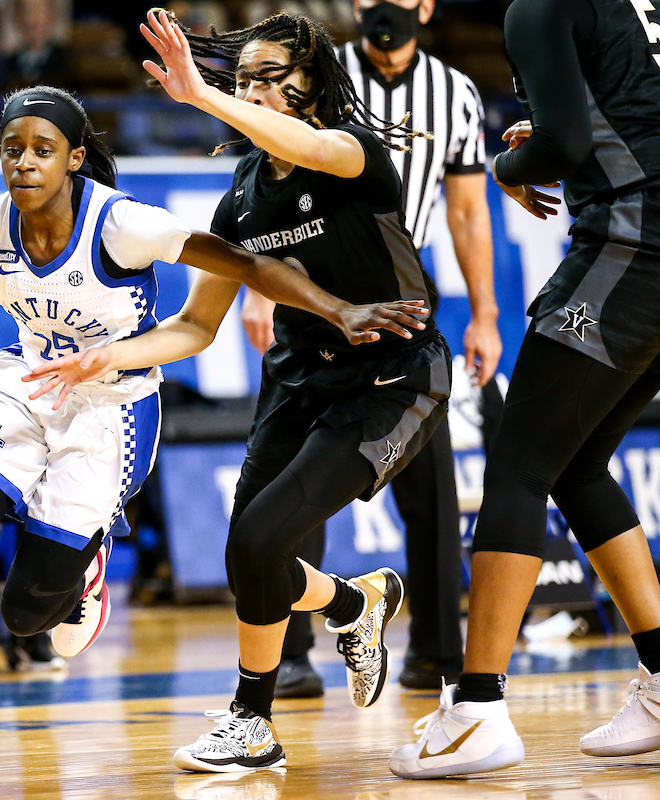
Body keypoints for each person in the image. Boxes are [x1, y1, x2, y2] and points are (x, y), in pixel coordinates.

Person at [0, 84, 424, 787]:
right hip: (25, 384)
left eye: (42, 150)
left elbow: (248, 265)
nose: (24, 163)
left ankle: (90, 562)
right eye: (12, 149)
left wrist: (339, 310)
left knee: (24, 616)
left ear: (74, 158)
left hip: (111, 405)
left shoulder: (122, 223)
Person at [32, 10, 449, 773]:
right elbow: (196, 327)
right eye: (243, 76)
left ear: (313, 83)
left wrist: (204, 96)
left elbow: (314, 145)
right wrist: (107, 355)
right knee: (244, 556)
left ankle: (251, 719)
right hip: (300, 375)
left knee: (264, 541)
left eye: (268, 77)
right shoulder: (242, 201)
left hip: (390, 375)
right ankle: (355, 607)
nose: (252, 90)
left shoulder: (351, 153)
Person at [390, 0, 660, 779]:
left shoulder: (539, 6)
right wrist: (552, 146)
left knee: (516, 463)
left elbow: (568, 144)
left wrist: (511, 168)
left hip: (643, 237)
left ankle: (477, 709)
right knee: (574, 461)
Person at [241, 0, 499, 698]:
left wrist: (486, 313)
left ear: (428, 5)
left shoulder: (455, 92)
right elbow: (262, 190)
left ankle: (438, 653)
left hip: (400, 300)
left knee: (432, 493)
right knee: (289, 492)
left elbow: (469, 208)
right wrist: (258, 288)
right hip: (311, 298)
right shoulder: (316, 73)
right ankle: (291, 656)